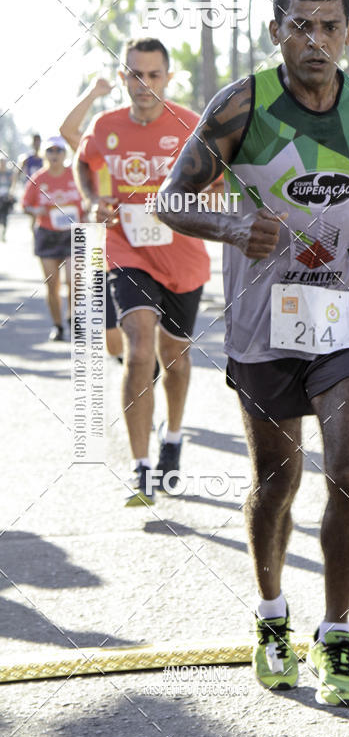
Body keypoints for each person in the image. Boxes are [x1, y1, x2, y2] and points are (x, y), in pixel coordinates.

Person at [158, 0, 349, 708]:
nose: (316, 40)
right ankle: (273, 618)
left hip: (348, 316)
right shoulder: (242, 105)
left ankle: (336, 631)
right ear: (276, 30)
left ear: (346, 32)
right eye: (301, 25)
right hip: (262, 324)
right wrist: (234, 223)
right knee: (276, 480)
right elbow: (172, 199)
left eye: (330, 26)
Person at [73, 38, 210, 504]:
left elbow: (220, 182)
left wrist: (198, 205)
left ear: (167, 78)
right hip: (124, 249)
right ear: (124, 77)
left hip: (183, 259)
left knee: (175, 356)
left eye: (153, 75)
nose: (143, 84)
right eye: (135, 74)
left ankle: (172, 436)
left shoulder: (191, 127)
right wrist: (93, 199)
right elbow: (82, 163)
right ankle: (143, 467)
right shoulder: (106, 126)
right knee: (138, 349)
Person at [60, 77, 124, 360]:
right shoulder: (97, 154)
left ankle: (143, 369)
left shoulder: (152, 152)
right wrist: (93, 94)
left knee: (144, 336)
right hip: (103, 249)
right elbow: (67, 131)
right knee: (113, 342)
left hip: (149, 252)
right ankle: (136, 366)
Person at [22, 136, 85, 341]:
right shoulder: (38, 178)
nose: (54, 154)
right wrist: (34, 210)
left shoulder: (75, 175)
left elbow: (89, 198)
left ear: (65, 153)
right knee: (52, 284)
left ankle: (72, 318)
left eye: (58, 150)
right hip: (48, 234)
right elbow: (26, 205)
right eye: (50, 150)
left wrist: (87, 210)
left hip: (72, 234)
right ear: (44, 154)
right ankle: (57, 325)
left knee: (74, 280)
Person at [0, 157, 17, 241]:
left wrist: (11, 194)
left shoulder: (8, 174)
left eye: (3, 162)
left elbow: (12, 185)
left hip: (6, 198)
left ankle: (3, 233)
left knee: (5, 216)